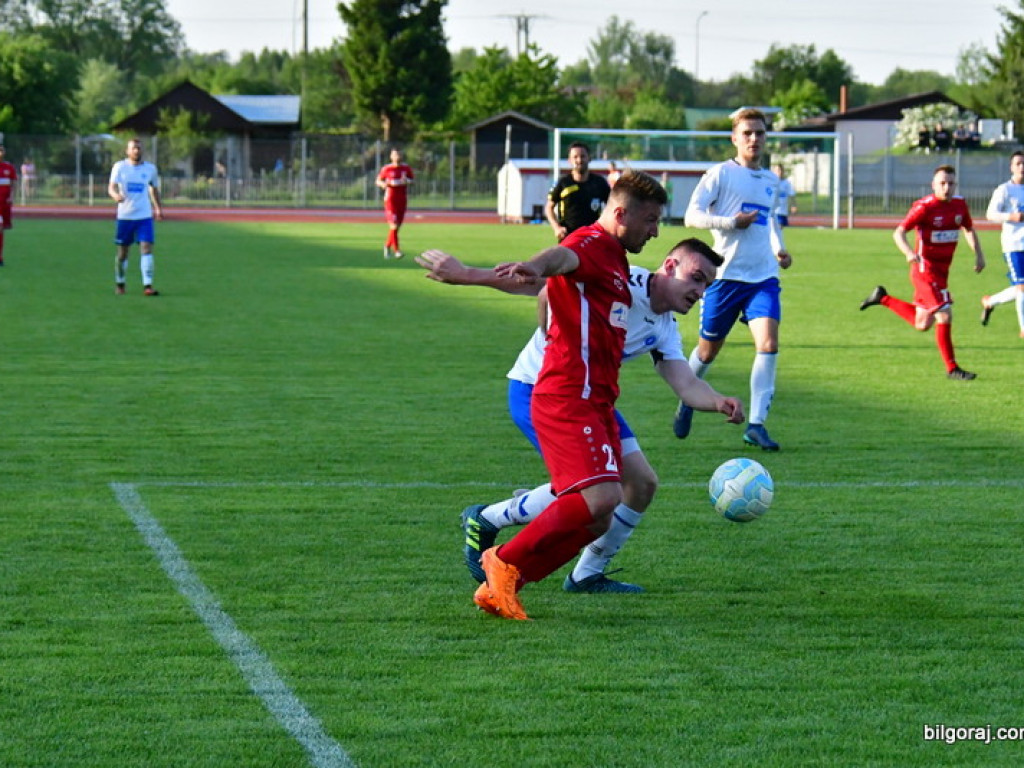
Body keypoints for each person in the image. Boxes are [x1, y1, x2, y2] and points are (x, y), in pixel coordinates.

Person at [415, 239, 740, 593]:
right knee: (589, 491)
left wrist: (718, 401)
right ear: (670, 266)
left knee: (641, 483)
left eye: (707, 285)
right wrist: (466, 274)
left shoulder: (664, 327)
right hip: (540, 390)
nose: (700, 292)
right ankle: (487, 519)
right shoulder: (621, 281)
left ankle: (586, 574)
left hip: (591, 400)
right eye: (696, 278)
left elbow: (686, 383)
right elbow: (538, 282)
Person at [437, 171, 667, 620]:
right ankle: (502, 561)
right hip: (568, 396)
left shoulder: (616, 260)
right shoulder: (591, 242)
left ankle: (504, 586)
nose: (656, 231)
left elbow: (547, 283)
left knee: (600, 516)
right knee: (600, 498)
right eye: (651, 220)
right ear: (621, 214)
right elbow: (561, 256)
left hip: (597, 402)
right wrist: (536, 264)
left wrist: (487, 276)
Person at [673, 108, 792, 452]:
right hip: (725, 277)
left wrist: (779, 250)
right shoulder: (720, 174)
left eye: (760, 133)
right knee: (707, 351)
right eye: (747, 133)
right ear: (735, 138)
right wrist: (730, 223)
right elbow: (692, 216)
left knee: (768, 344)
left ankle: (756, 425)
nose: (754, 139)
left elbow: (770, 221)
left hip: (763, 277)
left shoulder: (770, 180)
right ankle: (688, 396)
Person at [859, 164, 985, 380]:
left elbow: (968, 229)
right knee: (944, 313)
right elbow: (899, 232)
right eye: (942, 183)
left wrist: (979, 254)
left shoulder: (959, 205)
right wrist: (909, 253)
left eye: (951, 183)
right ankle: (952, 369)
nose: (947, 188)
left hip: (942, 272)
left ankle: (882, 298)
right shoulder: (924, 207)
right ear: (933, 185)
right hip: (924, 271)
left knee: (922, 323)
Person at [108, 138, 163, 296]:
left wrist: (158, 209)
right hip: (125, 216)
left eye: (139, 148)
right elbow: (111, 187)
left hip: (144, 216)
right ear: (127, 151)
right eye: (133, 148)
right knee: (123, 252)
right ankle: (120, 283)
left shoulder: (150, 169)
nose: (136, 151)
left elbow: (154, 190)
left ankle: (147, 286)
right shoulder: (120, 167)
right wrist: (115, 195)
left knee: (146, 248)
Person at [981, 151, 1024, 337]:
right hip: (1014, 245)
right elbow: (990, 214)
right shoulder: (1005, 190)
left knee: (1021, 287)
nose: (1022, 167)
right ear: (1011, 167)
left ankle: (990, 302)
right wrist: (1011, 216)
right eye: (1018, 163)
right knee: (1022, 286)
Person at [544, 141, 611, 242]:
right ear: (569, 160)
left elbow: (611, 207)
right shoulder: (563, 182)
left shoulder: (600, 182)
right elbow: (549, 207)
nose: (579, 160)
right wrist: (557, 227)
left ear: (589, 158)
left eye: (583, 156)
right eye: (575, 157)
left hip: (592, 238)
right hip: (568, 238)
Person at [375, 147, 414, 260]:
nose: (397, 157)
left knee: (396, 228)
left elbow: (412, 180)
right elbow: (378, 181)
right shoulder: (387, 169)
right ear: (391, 156)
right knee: (394, 225)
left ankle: (387, 245)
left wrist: (407, 181)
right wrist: (383, 184)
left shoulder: (406, 168)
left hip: (402, 200)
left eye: (399, 154)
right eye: (395, 155)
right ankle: (397, 251)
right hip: (390, 200)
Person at [0, 144, 18, 266]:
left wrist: (12, 196)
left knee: (1, 230)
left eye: (2, 150)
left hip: (4, 204)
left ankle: (0, 257)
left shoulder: (9, 167)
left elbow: (14, 183)